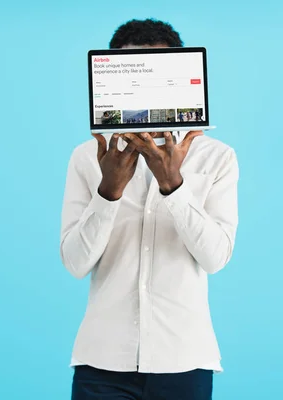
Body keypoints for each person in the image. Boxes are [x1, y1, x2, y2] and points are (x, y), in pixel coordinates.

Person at [60, 18, 239, 400]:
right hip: (101, 362)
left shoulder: (217, 158)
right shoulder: (87, 157)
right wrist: (108, 192)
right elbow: (75, 263)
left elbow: (215, 257)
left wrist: (173, 185)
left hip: (184, 359)